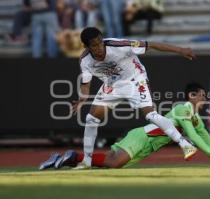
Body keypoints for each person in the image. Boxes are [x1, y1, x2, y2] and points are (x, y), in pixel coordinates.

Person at [72, 27, 197, 169]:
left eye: (100, 42)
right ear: (86, 47)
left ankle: (185, 144)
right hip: (112, 85)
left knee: (151, 115)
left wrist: (181, 50)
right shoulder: (85, 60)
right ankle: (86, 161)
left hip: (135, 79)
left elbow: (151, 45)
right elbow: (85, 84)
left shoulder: (119, 46)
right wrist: (83, 97)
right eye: (94, 45)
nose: (99, 47)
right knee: (91, 118)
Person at [39, 83, 210, 170]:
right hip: (142, 137)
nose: (204, 98)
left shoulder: (196, 117)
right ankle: (72, 156)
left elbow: (205, 136)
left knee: (110, 163)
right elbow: (193, 137)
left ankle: (70, 158)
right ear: (191, 96)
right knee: (114, 164)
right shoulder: (182, 108)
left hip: (148, 147)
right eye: (201, 95)